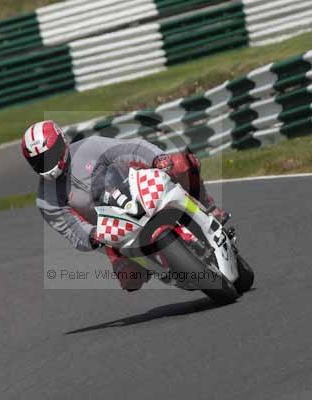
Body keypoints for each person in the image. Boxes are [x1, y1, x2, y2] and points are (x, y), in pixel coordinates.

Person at [22, 120, 230, 291]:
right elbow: (70, 228)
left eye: (50, 155)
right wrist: (91, 235)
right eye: (39, 161)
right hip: (110, 229)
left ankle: (208, 207)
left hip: (138, 189)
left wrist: (157, 158)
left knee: (183, 163)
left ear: (62, 142)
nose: (46, 163)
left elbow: (131, 148)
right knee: (130, 279)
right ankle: (161, 269)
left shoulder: (90, 147)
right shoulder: (45, 199)